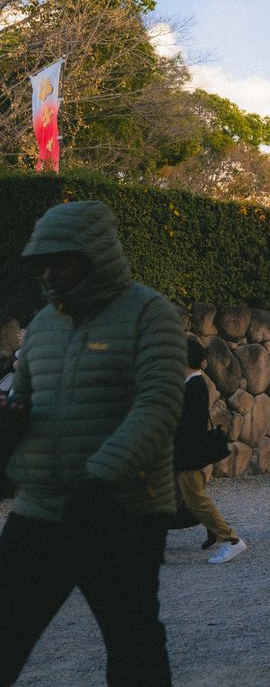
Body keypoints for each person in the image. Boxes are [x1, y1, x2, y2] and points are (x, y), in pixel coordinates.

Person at [0, 200, 187, 684]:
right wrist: (9, 423)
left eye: (59, 260)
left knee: (132, 644)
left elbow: (159, 405)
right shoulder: (43, 325)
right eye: (40, 262)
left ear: (94, 255)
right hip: (40, 507)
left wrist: (101, 477)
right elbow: (23, 399)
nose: (47, 273)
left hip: (123, 509)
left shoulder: (150, 313)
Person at [175, 342, 246, 563]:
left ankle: (231, 540)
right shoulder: (192, 383)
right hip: (183, 455)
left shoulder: (194, 386)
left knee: (196, 501)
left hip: (187, 456)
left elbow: (187, 426)